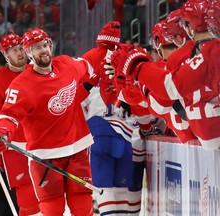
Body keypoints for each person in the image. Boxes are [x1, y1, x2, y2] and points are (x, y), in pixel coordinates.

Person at [0, 28, 96, 215]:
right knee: (52, 208)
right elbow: (8, 115)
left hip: (78, 150)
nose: (44, 50)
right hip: (45, 157)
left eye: (45, 45)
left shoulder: (67, 64)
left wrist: (106, 47)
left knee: (82, 206)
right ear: (28, 52)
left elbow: (89, 65)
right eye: (37, 47)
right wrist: (3, 132)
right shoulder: (22, 84)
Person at [109, 0, 220, 150]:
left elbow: (159, 103)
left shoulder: (182, 59)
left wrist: (133, 69)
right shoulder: (207, 50)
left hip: (200, 141)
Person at [81, 21, 145, 215]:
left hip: (98, 133)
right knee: (121, 190)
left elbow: (77, 96)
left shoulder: (88, 58)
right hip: (125, 135)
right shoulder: (126, 58)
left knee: (104, 189)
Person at [0, 35, 41, 216]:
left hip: (42, 146)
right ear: (5, 56)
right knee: (21, 204)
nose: (20, 53)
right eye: (14, 50)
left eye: (21, 48)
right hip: (14, 150)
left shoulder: (38, 70)